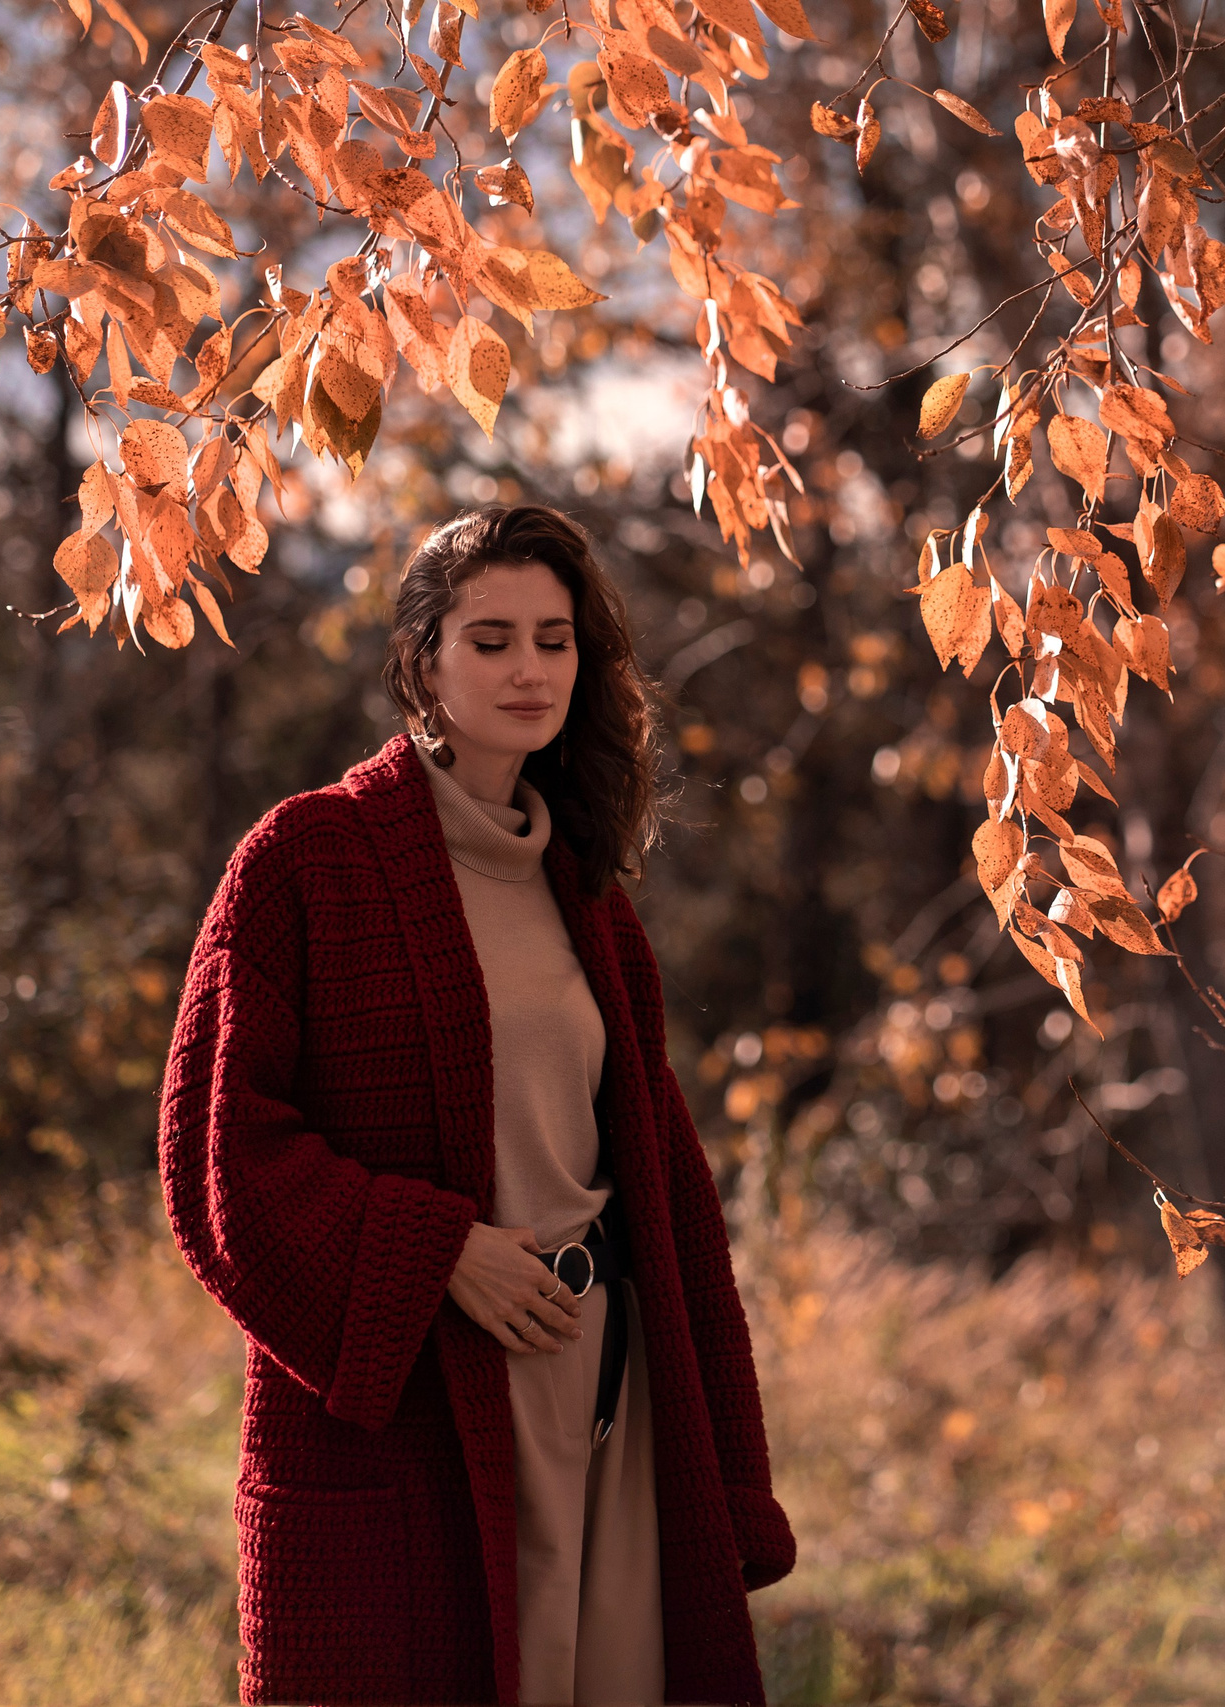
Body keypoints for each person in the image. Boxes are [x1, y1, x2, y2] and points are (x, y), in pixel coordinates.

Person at [159, 505, 795, 1705]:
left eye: (554, 641)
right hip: (422, 1401)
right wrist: (434, 1249)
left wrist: (729, 1462)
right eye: (491, 638)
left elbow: (668, 1188)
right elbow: (218, 1158)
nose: (528, 670)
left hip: (607, 1392)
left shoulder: (589, 895)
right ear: (421, 661)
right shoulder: (308, 861)